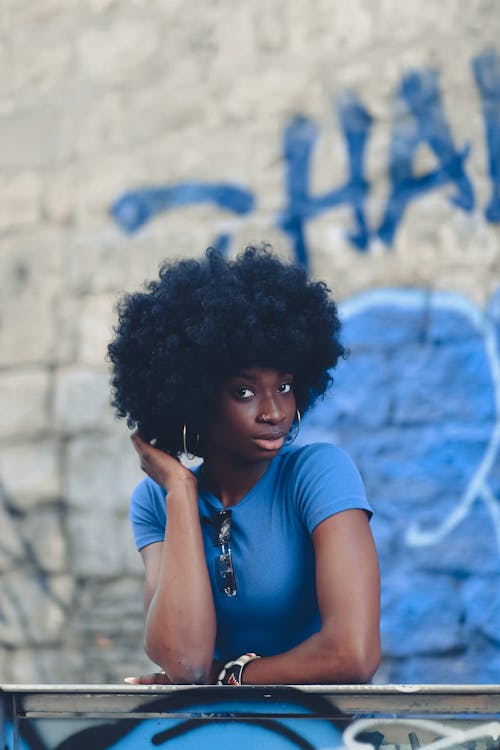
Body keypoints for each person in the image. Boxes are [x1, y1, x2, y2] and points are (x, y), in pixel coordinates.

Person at [107, 245, 380, 686]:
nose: (274, 411)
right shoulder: (158, 501)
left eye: (286, 386)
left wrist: (230, 677)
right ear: (194, 399)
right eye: (245, 392)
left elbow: (353, 654)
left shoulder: (317, 475)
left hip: (315, 732)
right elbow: (186, 660)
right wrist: (180, 489)